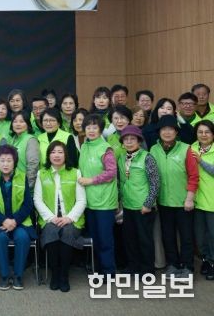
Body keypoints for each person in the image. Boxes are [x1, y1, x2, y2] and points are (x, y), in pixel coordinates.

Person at [34, 141, 86, 292]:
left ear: (66, 155)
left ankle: (64, 275)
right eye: (53, 152)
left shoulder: (75, 172)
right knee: (51, 231)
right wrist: (51, 218)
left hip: (72, 219)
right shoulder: (42, 173)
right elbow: (37, 199)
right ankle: (55, 274)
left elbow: (81, 200)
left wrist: (69, 218)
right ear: (48, 155)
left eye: (60, 152)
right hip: (49, 219)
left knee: (67, 232)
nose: (56, 155)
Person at [150, 115, 197, 278]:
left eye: (171, 129)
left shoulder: (186, 148)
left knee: (186, 236)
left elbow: (193, 176)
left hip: (183, 201)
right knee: (168, 236)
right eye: (164, 129)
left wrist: (189, 198)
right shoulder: (154, 150)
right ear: (159, 132)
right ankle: (173, 264)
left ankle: (187, 266)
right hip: (163, 201)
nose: (167, 132)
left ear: (176, 132)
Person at [0, 145, 36, 291]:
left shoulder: (22, 177)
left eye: (9, 160)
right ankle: (5, 276)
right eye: (2, 160)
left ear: (15, 162)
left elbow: (28, 204)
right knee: (0, 238)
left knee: (22, 237)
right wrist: (3, 221)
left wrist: (14, 221)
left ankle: (18, 276)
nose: (5, 164)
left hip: (19, 222)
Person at [77, 114, 118, 276]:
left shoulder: (106, 148)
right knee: (94, 238)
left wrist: (91, 180)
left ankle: (109, 271)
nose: (91, 130)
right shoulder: (84, 146)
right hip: (89, 200)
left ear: (101, 130)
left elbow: (111, 173)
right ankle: (98, 269)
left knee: (105, 239)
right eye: (88, 127)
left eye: (95, 127)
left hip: (104, 201)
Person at [117, 125, 159, 276]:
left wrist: (148, 203)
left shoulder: (147, 157)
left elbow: (155, 182)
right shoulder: (121, 158)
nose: (129, 142)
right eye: (126, 139)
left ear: (139, 141)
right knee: (130, 239)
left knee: (144, 240)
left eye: (132, 139)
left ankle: (147, 269)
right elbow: (121, 181)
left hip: (143, 206)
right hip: (128, 205)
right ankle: (133, 266)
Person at [191, 120, 214, 280]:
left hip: (212, 200)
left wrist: (201, 161)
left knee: (213, 235)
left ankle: (212, 262)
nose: (203, 135)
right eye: (200, 132)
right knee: (199, 236)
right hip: (196, 199)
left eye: (207, 132)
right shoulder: (191, 148)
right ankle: (206, 260)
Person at [7, 110, 40, 190]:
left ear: (27, 124)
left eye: (21, 121)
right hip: (13, 184)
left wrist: (28, 186)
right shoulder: (12, 139)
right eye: (15, 121)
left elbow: (33, 164)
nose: (18, 124)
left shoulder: (31, 140)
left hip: (25, 186)